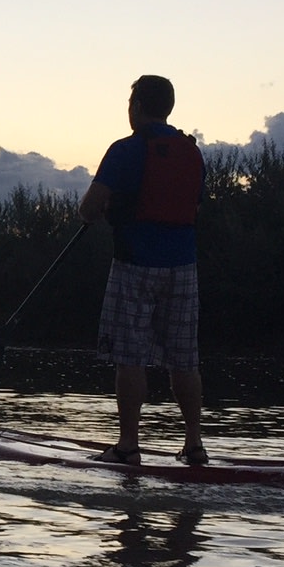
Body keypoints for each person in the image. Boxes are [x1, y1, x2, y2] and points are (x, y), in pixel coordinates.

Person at [78, 75, 206, 465]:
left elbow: (88, 209)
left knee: (129, 356)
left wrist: (105, 209)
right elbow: (192, 207)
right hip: (183, 266)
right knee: (184, 358)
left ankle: (128, 447)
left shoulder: (125, 150)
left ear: (136, 106)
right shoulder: (191, 152)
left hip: (135, 264)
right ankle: (194, 446)